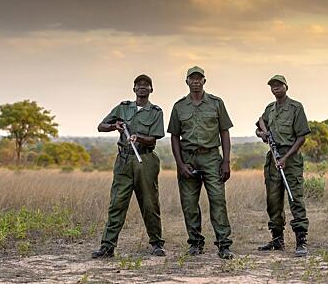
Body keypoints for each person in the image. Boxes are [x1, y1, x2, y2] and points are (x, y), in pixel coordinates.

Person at [92, 74, 166, 258]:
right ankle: (107, 247)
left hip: (145, 160)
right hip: (124, 160)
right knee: (117, 203)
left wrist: (138, 137)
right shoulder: (123, 108)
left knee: (150, 203)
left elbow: (153, 140)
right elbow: (101, 126)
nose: (142, 87)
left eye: (146, 85)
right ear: (134, 89)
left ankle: (156, 244)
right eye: (138, 85)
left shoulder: (156, 112)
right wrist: (114, 126)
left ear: (151, 89)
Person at [167, 66, 235, 260]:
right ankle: (195, 243)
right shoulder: (179, 106)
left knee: (218, 201)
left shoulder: (216, 103)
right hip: (188, 158)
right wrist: (180, 164)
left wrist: (226, 162)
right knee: (189, 203)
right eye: (192, 78)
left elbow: (224, 132)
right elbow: (174, 136)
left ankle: (224, 245)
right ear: (186, 81)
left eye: (199, 78)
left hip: (212, 157)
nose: (195, 81)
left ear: (204, 81)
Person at [255, 75, 311, 257]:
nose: (275, 88)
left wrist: (286, 157)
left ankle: (301, 241)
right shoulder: (270, 109)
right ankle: (277, 239)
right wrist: (262, 134)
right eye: (272, 86)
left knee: (295, 199)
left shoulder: (296, 107)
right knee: (273, 200)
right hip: (273, 158)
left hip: (290, 159)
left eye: (279, 85)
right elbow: (258, 126)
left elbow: (301, 137)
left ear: (286, 86)